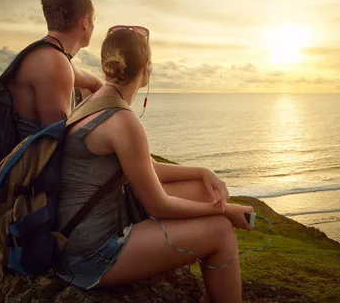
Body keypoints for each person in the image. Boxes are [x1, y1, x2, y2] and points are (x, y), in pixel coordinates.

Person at [55, 26, 254, 303]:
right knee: (221, 232)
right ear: (147, 69)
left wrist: (202, 172)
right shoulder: (122, 120)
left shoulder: (94, 101)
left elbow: (147, 167)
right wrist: (224, 211)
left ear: (106, 66)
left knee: (203, 189)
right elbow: (157, 205)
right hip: (92, 254)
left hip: (79, 236)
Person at [6, 0, 103, 140]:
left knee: (84, 92)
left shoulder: (48, 53)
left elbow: (93, 83)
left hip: (28, 157)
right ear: (85, 22)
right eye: (93, 19)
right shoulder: (53, 62)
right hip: (28, 162)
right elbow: (59, 142)